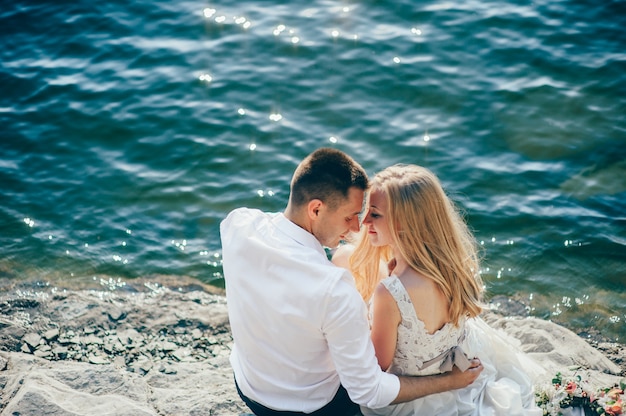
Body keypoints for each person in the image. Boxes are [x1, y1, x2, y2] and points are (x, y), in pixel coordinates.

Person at [220, 148, 483, 416]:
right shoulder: (334, 290)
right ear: (316, 209)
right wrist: (449, 381)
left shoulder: (237, 224)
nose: (357, 228)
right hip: (311, 408)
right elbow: (368, 391)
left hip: (249, 388)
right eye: (350, 216)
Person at [333, 164, 543, 416]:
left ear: (404, 222)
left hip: (412, 399)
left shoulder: (389, 293)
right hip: (459, 376)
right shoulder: (451, 266)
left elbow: (376, 367)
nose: (363, 222)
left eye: (374, 214)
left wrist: (356, 321)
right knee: (346, 256)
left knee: (343, 260)